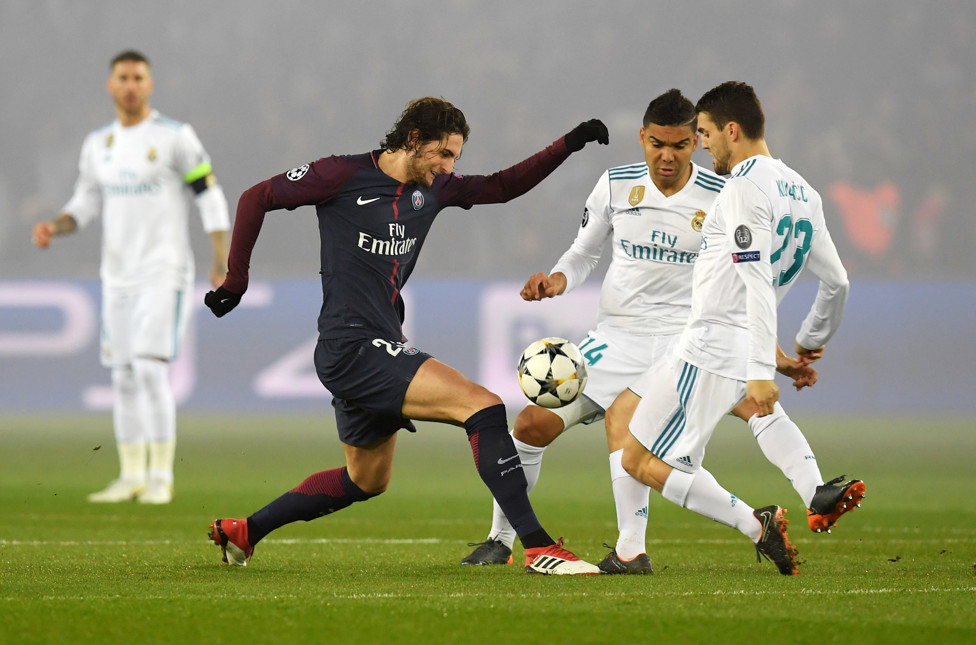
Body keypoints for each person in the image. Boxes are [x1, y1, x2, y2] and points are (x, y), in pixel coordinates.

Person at [204, 97, 610, 575]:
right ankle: (538, 547)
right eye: (442, 153)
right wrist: (236, 280)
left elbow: (502, 186)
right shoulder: (341, 175)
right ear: (413, 140)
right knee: (483, 406)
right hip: (351, 345)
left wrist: (568, 144)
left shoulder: (434, 189)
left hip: (372, 344)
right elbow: (257, 197)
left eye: (455, 156)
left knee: (367, 479)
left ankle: (246, 531)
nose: (447, 167)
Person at [460, 90, 858, 575]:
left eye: (681, 145)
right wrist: (558, 279)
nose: (666, 156)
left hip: (685, 337)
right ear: (642, 138)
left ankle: (636, 547)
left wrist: (768, 355)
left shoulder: (725, 191)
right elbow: (584, 252)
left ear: (695, 141)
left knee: (724, 411)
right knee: (529, 426)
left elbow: (740, 280)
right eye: (656, 144)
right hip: (618, 336)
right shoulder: (614, 185)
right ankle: (501, 538)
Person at [622, 81, 863, 576]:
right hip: (734, 339)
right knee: (754, 410)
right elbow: (836, 281)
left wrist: (760, 367)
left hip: (711, 346)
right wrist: (807, 342)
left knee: (641, 461)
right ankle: (814, 490)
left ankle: (757, 524)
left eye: (706, 133)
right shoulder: (805, 192)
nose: (703, 144)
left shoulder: (742, 190)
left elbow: (752, 278)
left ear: (732, 130)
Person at [32, 50, 231, 505]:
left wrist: (220, 256)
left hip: (163, 271)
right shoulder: (98, 144)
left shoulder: (175, 137)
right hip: (117, 275)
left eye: (138, 77)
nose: (130, 85)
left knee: (147, 368)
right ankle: (130, 475)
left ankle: (161, 476)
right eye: (122, 77)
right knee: (122, 376)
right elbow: (84, 203)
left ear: (150, 85)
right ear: (110, 85)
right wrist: (56, 226)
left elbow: (209, 194)